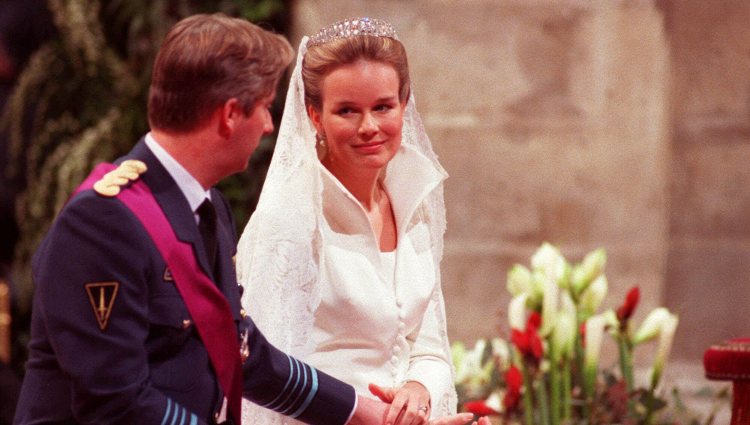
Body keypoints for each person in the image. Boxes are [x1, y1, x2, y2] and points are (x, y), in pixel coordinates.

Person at [13, 13, 417, 425]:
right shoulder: (102, 223)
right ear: (228, 115)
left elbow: (244, 352)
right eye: (262, 108)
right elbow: (117, 402)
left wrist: (371, 415)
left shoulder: (209, 208)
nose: (268, 125)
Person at [237, 17, 457, 425]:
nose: (369, 127)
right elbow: (264, 381)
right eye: (347, 111)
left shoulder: (416, 204)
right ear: (315, 117)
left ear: (403, 107)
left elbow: (429, 346)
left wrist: (417, 390)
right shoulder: (287, 221)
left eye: (382, 107)